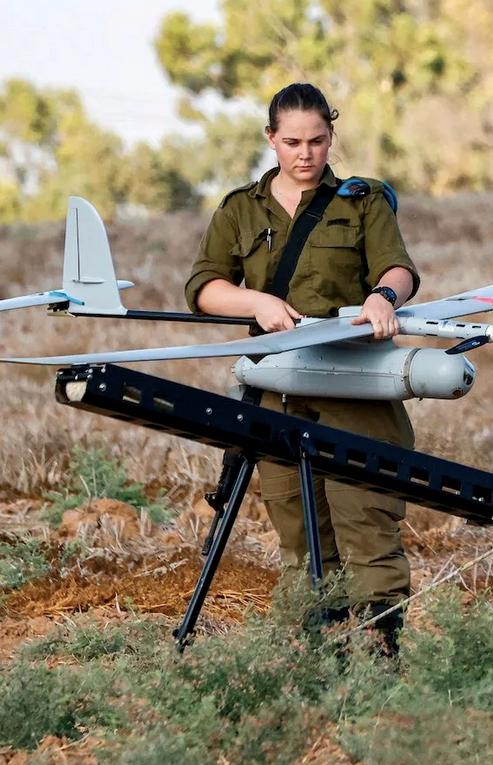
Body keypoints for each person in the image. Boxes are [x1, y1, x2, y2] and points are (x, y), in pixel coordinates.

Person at [184, 83, 420, 652]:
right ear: (271, 140)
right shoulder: (241, 208)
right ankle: (319, 654)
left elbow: (399, 268)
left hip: (354, 385)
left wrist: (383, 298)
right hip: (277, 390)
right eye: (291, 142)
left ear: (331, 136)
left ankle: (380, 654)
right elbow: (204, 287)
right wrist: (257, 303)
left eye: (317, 140)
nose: (305, 154)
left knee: (367, 520)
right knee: (299, 530)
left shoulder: (362, 201)